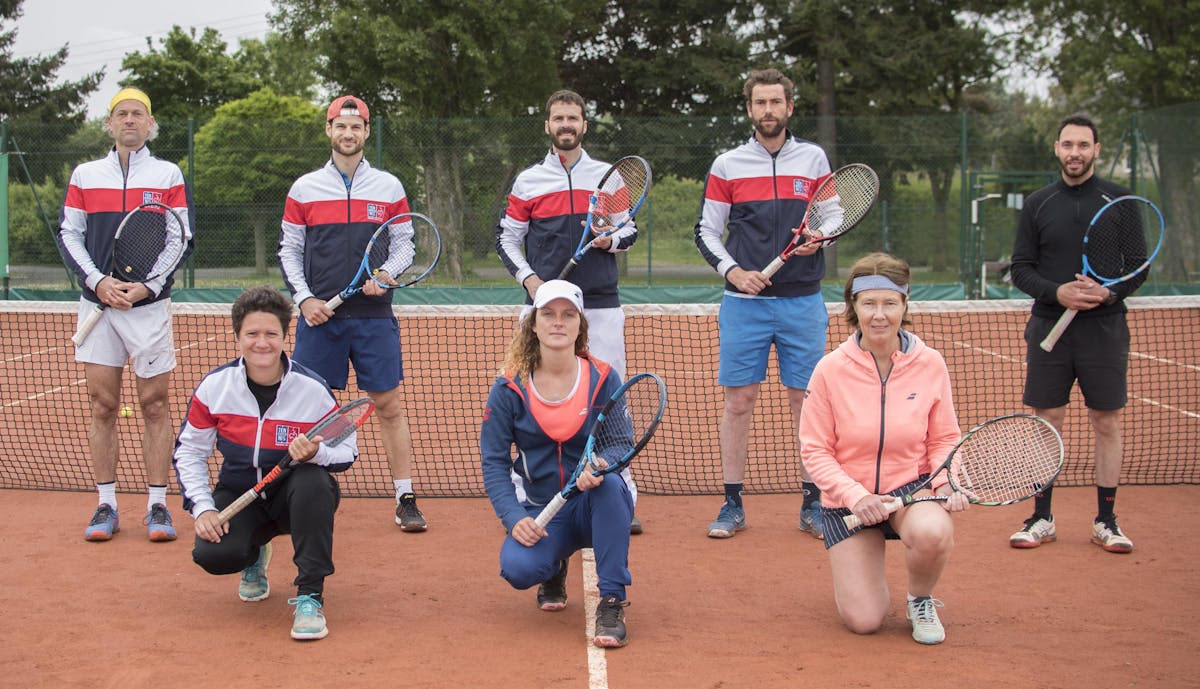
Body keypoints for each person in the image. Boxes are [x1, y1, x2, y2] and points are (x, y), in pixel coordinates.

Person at [799, 253, 968, 645]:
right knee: (865, 621)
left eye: (890, 303)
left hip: (912, 488)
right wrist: (856, 496)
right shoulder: (829, 369)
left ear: (905, 304)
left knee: (932, 531)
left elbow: (944, 437)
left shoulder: (931, 364)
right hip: (849, 503)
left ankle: (920, 598)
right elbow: (815, 449)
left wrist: (946, 482)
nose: (879, 314)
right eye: (869, 303)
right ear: (853, 306)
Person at [495, 88, 643, 535]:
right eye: (558, 118)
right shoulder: (528, 181)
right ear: (547, 125)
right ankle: (528, 488)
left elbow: (629, 230)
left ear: (583, 124)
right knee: (530, 390)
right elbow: (507, 239)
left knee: (609, 392)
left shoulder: (608, 177)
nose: (566, 125)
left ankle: (620, 484)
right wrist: (531, 282)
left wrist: (609, 240)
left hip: (599, 303)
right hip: (543, 306)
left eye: (573, 118)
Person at [174, 286, 357, 641]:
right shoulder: (215, 387)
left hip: (296, 494)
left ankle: (310, 596)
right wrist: (202, 508)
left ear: (284, 336)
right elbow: (190, 452)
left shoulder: (313, 389)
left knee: (312, 483)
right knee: (213, 556)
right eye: (252, 334)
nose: (262, 343)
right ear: (238, 336)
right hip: (241, 492)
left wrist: (316, 453)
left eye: (271, 334)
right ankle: (253, 555)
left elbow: (347, 448)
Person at [278, 95, 426, 531]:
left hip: (373, 317)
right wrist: (304, 299)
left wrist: (387, 274)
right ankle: (302, 496)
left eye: (356, 127)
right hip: (319, 319)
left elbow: (404, 246)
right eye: (340, 126)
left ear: (365, 132)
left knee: (388, 405)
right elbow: (290, 250)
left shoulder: (389, 187)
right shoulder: (304, 189)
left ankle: (405, 497)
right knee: (309, 408)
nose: (348, 134)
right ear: (328, 131)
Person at [693, 68, 830, 539]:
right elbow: (706, 231)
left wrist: (818, 239)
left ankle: (813, 504)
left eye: (776, 102)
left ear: (790, 107)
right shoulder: (727, 164)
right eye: (760, 103)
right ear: (749, 108)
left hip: (803, 302)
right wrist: (733, 272)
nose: (768, 110)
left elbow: (831, 217)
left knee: (806, 403)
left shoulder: (813, 159)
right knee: (739, 402)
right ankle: (732, 504)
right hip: (742, 304)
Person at [55, 86, 194, 543]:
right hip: (98, 304)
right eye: (122, 114)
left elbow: (180, 237)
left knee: (155, 405)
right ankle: (106, 505)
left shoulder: (168, 173)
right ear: (110, 124)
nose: (130, 120)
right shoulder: (85, 175)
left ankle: (157, 505)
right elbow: (70, 234)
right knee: (103, 405)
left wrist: (146, 287)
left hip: (148, 308)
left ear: (150, 124)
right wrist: (98, 282)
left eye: (138, 114)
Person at [1007, 114, 1143, 554]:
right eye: (1068, 145)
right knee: (1047, 422)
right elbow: (1021, 269)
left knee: (1106, 421)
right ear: (1057, 148)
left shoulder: (1121, 201)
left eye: (1083, 145)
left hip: (1104, 329)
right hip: (1050, 326)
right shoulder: (1039, 203)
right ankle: (1041, 516)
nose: (1075, 153)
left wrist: (1107, 293)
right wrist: (1058, 291)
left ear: (1096, 150)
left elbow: (1138, 266)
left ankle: (1106, 520)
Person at [480, 280, 635, 648]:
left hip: (593, 502)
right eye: (548, 314)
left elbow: (620, 443)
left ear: (580, 325)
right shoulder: (509, 388)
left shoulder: (602, 377)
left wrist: (599, 465)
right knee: (518, 570)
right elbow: (494, 461)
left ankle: (612, 599)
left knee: (612, 486)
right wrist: (514, 519)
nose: (558, 322)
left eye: (568, 315)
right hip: (542, 510)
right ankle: (553, 566)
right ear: (533, 324)